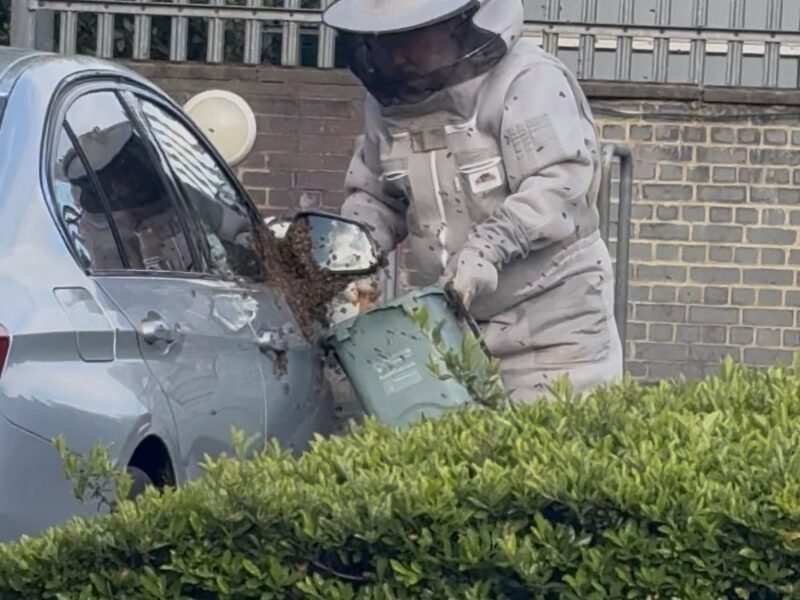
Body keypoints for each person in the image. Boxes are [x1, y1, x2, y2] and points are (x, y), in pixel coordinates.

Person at [322, 0, 623, 400]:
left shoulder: (527, 80)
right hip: (452, 330)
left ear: (455, 24)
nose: (396, 55)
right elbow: (377, 195)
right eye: (385, 41)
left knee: (549, 437)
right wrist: (350, 253)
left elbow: (558, 185)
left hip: (554, 329)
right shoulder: (385, 105)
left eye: (410, 37)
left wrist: (486, 249)